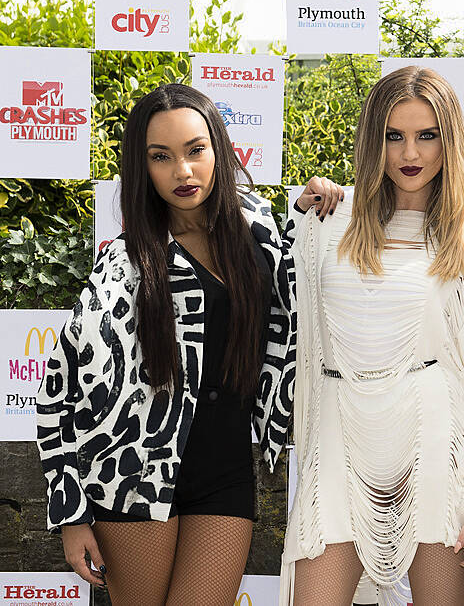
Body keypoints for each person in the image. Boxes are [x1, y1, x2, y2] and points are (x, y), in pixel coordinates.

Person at [35, 83, 343, 605]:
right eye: (161, 157)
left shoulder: (259, 231)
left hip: (225, 466)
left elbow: (299, 289)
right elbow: (61, 385)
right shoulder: (123, 264)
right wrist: (70, 513)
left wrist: (311, 205)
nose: (183, 171)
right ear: (142, 167)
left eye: (195, 150)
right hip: (134, 471)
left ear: (219, 151)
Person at [281, 66, 464, 605]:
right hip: (340, 434)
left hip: (435, 439)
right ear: (374, 142)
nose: (410, 152)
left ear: (449, 141)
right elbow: (275, 290)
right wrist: (306, 204)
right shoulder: (328, 223)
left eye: (427, 134)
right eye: (394, 136)